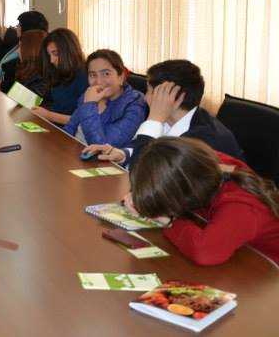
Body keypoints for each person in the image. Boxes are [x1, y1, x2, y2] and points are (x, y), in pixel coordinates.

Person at [128, 137, 279, 266]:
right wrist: (141, 192)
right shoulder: (201, 165)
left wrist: (169, 221)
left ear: (186, 192)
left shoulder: (241, 208)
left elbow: (205, 253)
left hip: (267, 276)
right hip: (240, 255)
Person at [82, 59, 244, 166]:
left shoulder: (201, 140)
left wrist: (154, 119)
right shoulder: (172, 121)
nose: (145, 97)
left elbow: (144, 177)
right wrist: (123, 154)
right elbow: (145, 147)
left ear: (170, 96)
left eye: (149, 91)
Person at [63, 49, 147, 147]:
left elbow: (102, 149)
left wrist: (89, 105)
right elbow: (69, 129)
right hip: (74, 151)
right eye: (92, 75)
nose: (98, 82)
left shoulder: (135, 105)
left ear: (121, 77)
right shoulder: (90, 93)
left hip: (95, 156)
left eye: (106, 74)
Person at [32, 28, 88, 126]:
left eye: (56, 54)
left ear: (69, 51)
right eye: (49, 55)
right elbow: (57, 106)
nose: (51, 60)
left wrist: (48, 115)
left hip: (70, 132)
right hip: (55, 126)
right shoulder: (59, 72)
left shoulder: (84, 77)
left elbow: (84, 120)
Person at [0, 10, 48, 87]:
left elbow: (18, 88)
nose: (16, 27)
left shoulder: (35, 57)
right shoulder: (18, 44)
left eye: (19, 25)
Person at [0, 29, 48, 95]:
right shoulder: (27, 69)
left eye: (20, 46)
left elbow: (26, 99)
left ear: (30, 49)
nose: (17, 51)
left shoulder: (42, 78)